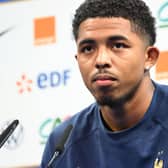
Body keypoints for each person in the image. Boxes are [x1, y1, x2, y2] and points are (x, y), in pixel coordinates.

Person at [40, 0, 168, 167]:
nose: (101, 60)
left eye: (118, 45)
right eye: (87, 49)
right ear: (77, 59)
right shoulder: (62, 144)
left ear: (149, 57)